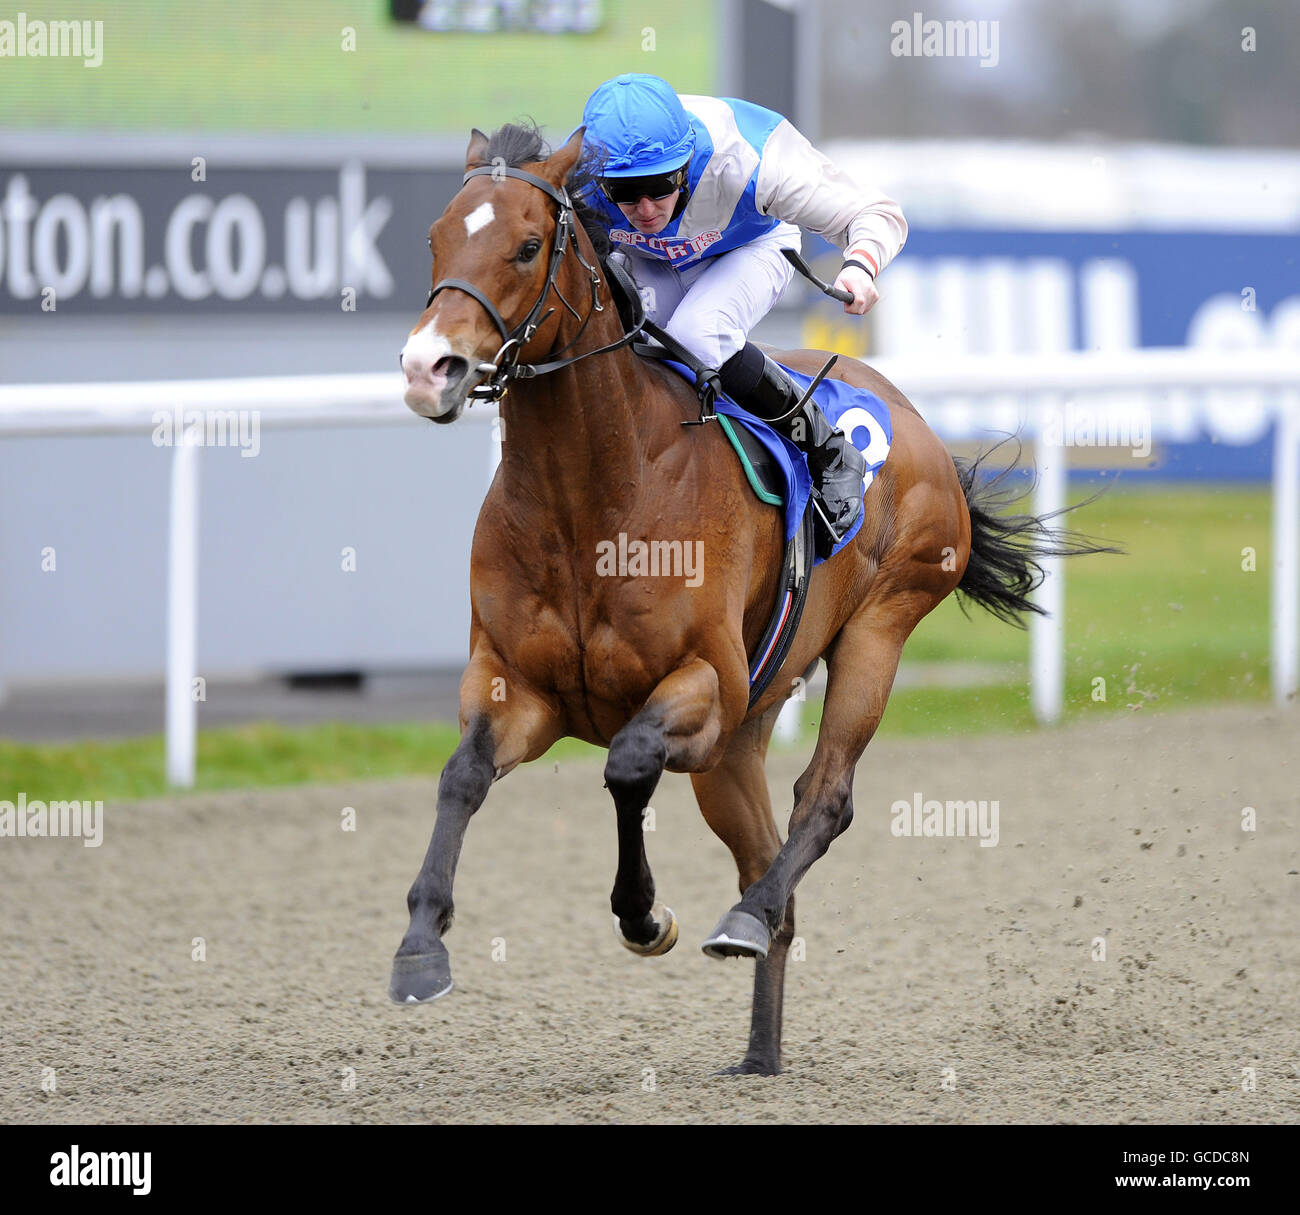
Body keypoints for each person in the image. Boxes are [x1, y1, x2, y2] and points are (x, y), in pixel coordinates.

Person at [577, 73, 907, 555]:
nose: (645, 208)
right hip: (651, 261)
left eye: (660, 184)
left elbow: (876, 212)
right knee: (626, 360)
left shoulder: (752, 156)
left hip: (750, 246)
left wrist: (860, 265)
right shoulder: (577, 173)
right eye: (625, 192)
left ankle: (828, 449)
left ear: (687, 162)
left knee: (697, 336)